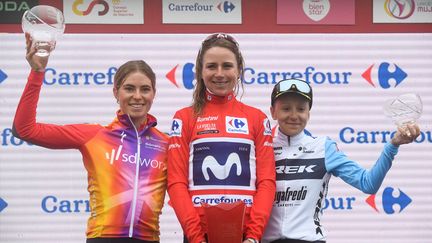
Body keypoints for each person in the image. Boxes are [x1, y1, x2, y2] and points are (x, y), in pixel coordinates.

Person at [12, 33, 168, 243]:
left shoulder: (166, 143)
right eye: (129, 88)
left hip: (149, 238)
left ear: (154, 94)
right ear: (116, 92)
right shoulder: (95, 135)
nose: (137, 96)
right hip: (102, 237)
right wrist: (37, 72)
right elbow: (25, 129)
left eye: (145, 89)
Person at [262, 78, 421, 243]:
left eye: (301, 109)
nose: (294, 116)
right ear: (273, 112)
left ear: (308, 113)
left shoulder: (323, 147)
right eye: (286, 108)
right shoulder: (261, 146)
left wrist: (393, 145)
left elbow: (368, 183)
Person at [167, 33, 276, 243]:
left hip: (246, 236)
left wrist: (253, 236)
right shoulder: (184, 118)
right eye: (211, 66)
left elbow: (267, 182)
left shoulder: (257, 118)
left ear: (239, 70)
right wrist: (196, 237)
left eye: (227, 66)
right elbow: (176, 183)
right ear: (200, 71)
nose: (219, 73)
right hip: (198, 236)